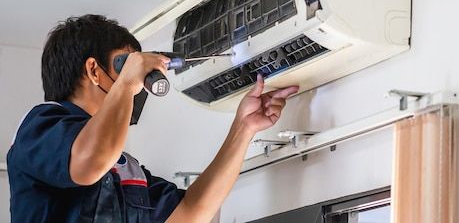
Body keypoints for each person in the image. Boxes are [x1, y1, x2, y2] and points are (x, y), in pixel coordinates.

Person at [7, 14, 298, 223]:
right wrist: (127, 84)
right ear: (94, 71)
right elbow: (89, 163)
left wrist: (243, 128)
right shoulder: (40, 126)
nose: (137, 81)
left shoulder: (124, 168)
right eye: (125, 63)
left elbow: (192, 213)